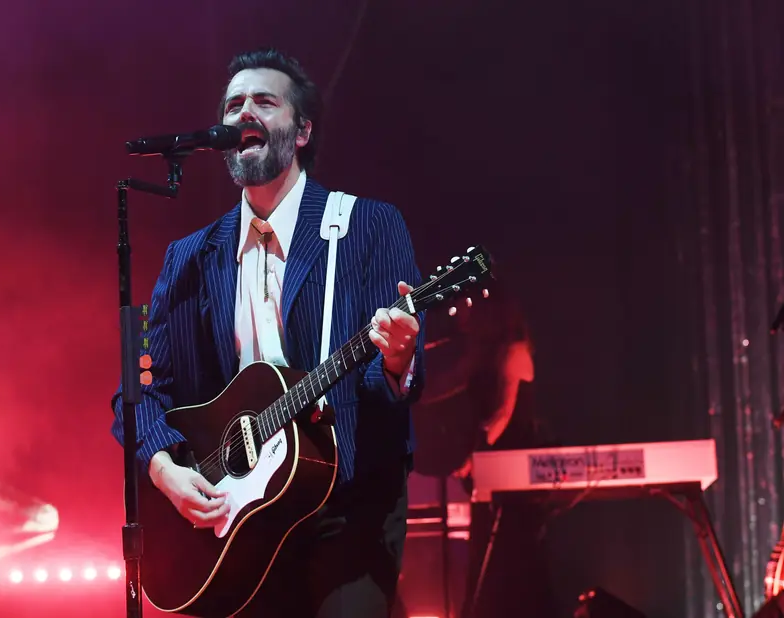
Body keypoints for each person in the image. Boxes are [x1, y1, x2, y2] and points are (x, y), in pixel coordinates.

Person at [110, 48, 427, 618]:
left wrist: (398, 360)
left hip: (346, 508)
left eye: (263, 101)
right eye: (233, 105)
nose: (244, 115)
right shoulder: (190, 259)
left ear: (302, 129)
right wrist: (166, 471)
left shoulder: (365, 227)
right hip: (242, 522)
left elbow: (389, 387)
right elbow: (139, 393)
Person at [410, 280, 555, 618]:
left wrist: (474, 457)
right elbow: (440, 387)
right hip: (489, 470)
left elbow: (501, 416)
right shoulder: (480, 355)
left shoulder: (513, 350)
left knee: (509, 560)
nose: (464, 316)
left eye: (470, 308)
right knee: (484, 559)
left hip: (511, 467)